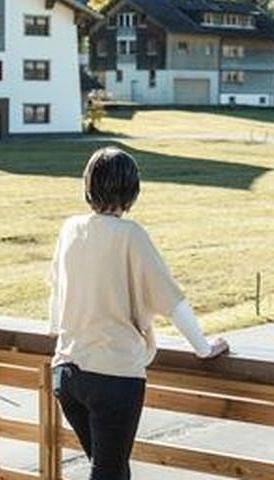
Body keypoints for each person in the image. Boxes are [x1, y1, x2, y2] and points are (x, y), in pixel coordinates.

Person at [48, 147, 228, 479]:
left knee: (110, 469)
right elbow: (172, 301)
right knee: (110, 472)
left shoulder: (70, 228)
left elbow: (57, 302)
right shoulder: (131, 235)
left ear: (88, 185)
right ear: (132, 191)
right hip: (113, 378)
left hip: (66, 375)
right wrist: (204, 348)